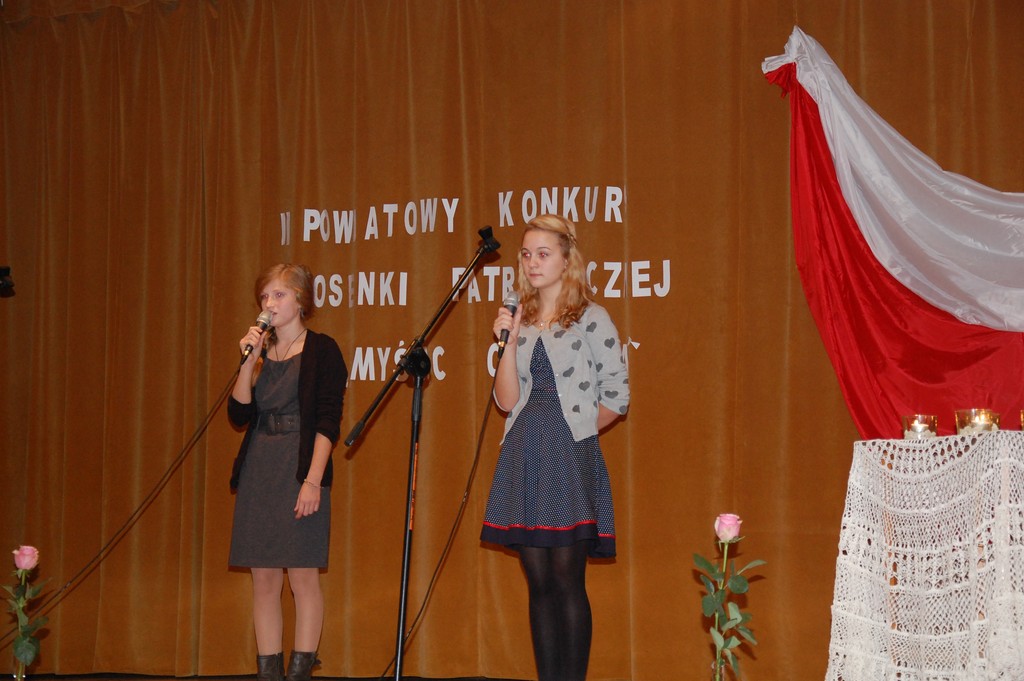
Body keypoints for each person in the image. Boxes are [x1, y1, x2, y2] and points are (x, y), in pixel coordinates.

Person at [481, 214, 630, 681]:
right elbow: (507, 401)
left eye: (543, 253)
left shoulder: (591, 317)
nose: (532, 262)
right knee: (539, 581)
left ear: (567, 259)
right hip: (524, 451)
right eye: (526, 254)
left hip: (569, 454)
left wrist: (575, 434)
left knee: (567, 578)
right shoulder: (518, 320)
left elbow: (617, 395)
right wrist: (507, 343)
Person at [227, 264, 348, 681]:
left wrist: (313, 481)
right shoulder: (260, 351)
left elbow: (328, 421)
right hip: (260, 467)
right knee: (263, 579)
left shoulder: (323, 349)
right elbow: (239, 414)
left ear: (300, 299)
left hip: (300, 469)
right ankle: (269, 675)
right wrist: (249, 362)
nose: (269, 303)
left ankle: (300, 674)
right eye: (265, 296)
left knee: (302, 577)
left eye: (278, 295)